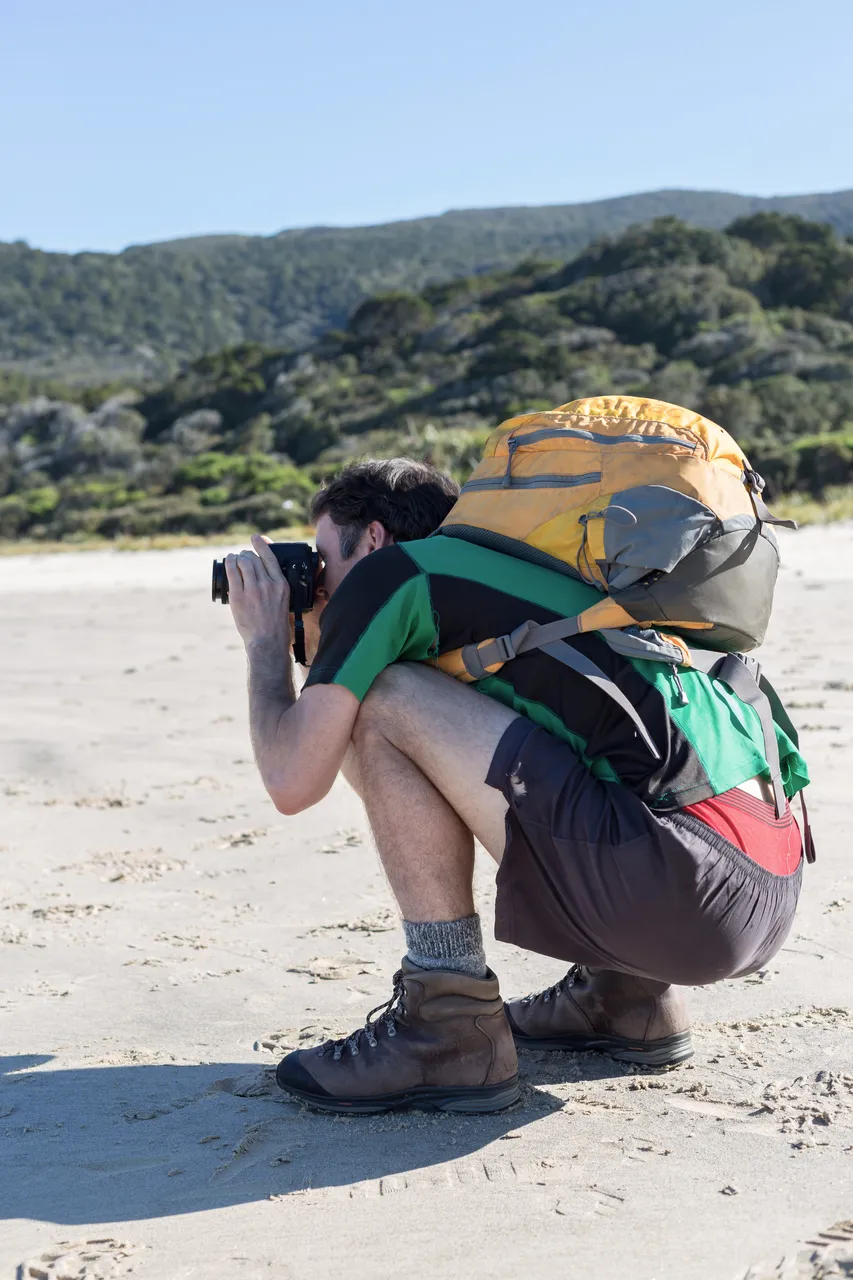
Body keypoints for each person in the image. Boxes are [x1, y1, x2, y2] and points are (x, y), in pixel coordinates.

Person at [225, 456, 808, 1116]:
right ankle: (625, 996)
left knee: (381, 699)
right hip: (762, 890)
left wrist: (265, 642)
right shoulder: (530, 580)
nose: (319, 580)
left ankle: (448, 1026)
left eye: (323, 557)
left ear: (376, 538)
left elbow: (291, 780)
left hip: (682, 893)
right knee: (570, 732)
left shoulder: (392, 575)